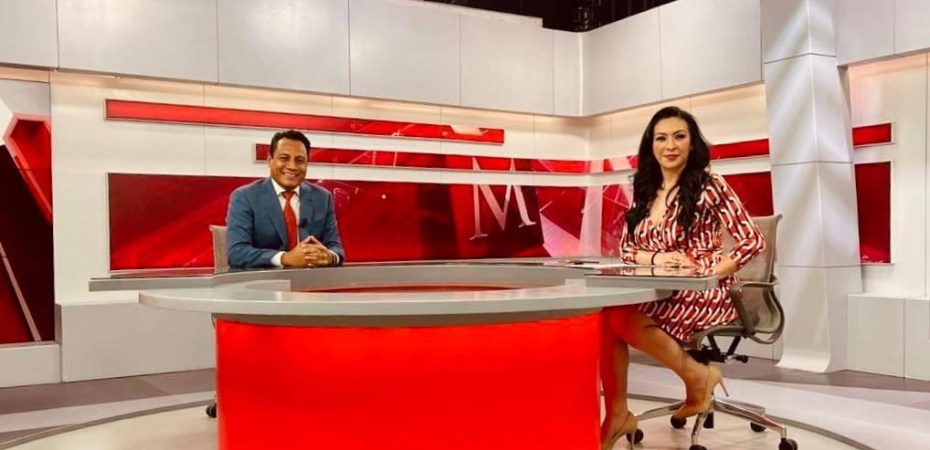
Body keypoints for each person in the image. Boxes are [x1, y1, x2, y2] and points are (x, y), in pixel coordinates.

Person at [600, 107, 766, 449]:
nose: (670, 145)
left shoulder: (710, 185)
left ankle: (697, 376)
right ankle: (618, 413)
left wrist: (709, 272)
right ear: (651, 145)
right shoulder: (646, 189)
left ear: (692, 143)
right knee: (606, 318)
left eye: (679, 136)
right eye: (661, 138)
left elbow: (752, 241)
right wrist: (658, 258)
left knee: (619, 317)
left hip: (705, 292)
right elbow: (627, 249)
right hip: (662, 289)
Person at [226, 130, 345, 269]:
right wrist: (285, 258)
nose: (292, 166)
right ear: (270, 160)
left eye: (299, 160)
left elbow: (336, 248)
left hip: (311, 279)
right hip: (264, 280)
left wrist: (329, 256)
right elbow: (237, 253)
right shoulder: (245, 197)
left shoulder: (323, 198)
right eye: (284, 158)